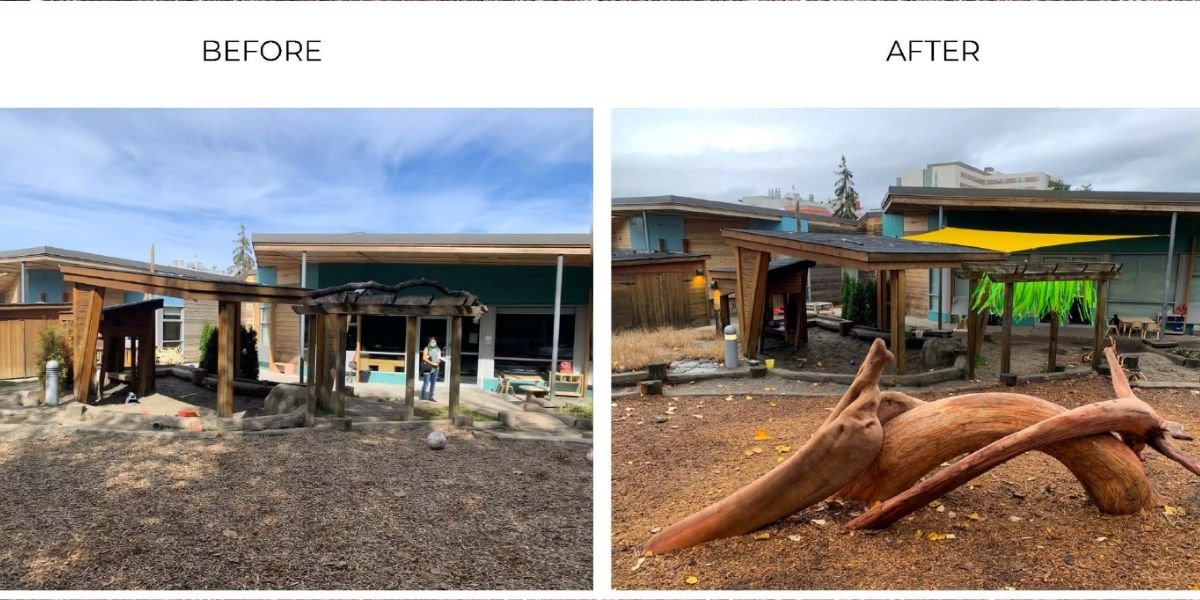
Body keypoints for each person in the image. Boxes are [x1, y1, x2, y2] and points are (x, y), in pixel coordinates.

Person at [420, 337, 442, 401]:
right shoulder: (426, 348)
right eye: (432, 342)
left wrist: (439, 361)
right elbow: (424, 358)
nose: (433, 343)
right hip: (427, 368)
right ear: (429, 342)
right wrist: (432, 363)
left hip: (436, 368)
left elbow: (439, 358)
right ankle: (423, 397)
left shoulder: (438, 349)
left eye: (434, 342)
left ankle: (431, 397)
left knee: (433, 383)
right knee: (426, 383)